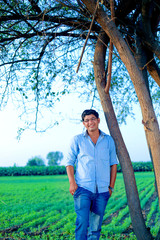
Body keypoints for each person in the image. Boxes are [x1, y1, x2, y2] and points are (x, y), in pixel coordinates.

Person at [65, 109, 118, 240]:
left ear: (98, 120)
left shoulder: (108, 140)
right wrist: (72, 183)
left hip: (102, 191)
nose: (90, 122)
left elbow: (113, 164)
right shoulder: (77, 140)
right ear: (84, 124)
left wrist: (110, 187)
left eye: (93, 119)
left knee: (95, 227)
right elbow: (69, 163)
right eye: (87, 120)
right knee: (82, 223)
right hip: (82, 189)